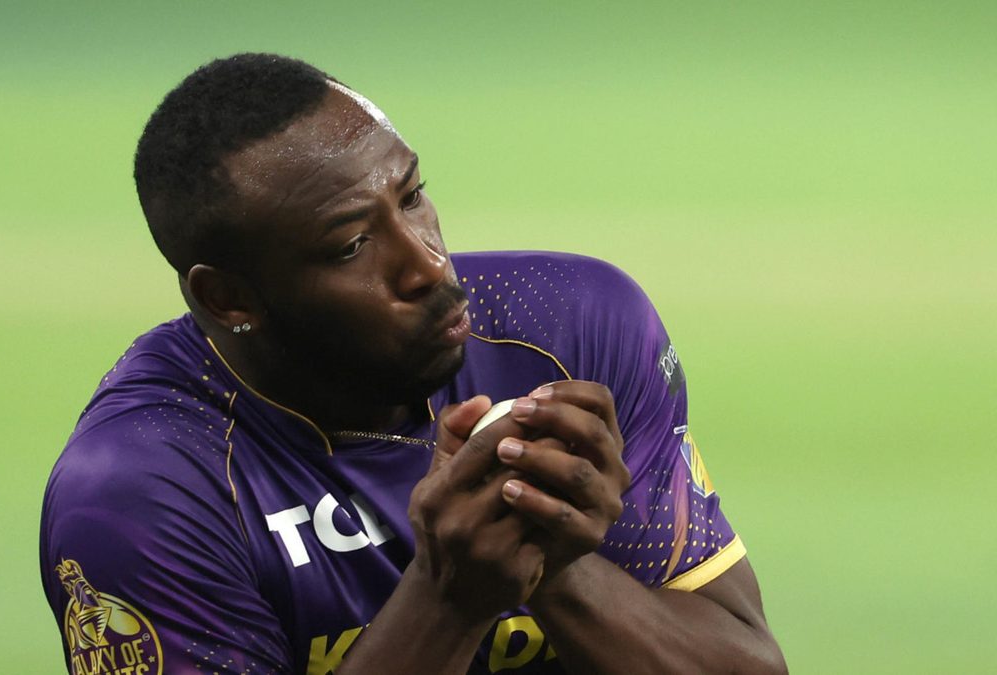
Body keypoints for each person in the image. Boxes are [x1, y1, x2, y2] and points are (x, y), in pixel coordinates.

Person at [39, 53, 786, 675]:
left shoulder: (573, 331)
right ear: (230, 296)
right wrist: (448, 595)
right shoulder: (142, 492)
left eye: (414, 196)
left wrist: (551, 557)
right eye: (351, 245)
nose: (428, 263)